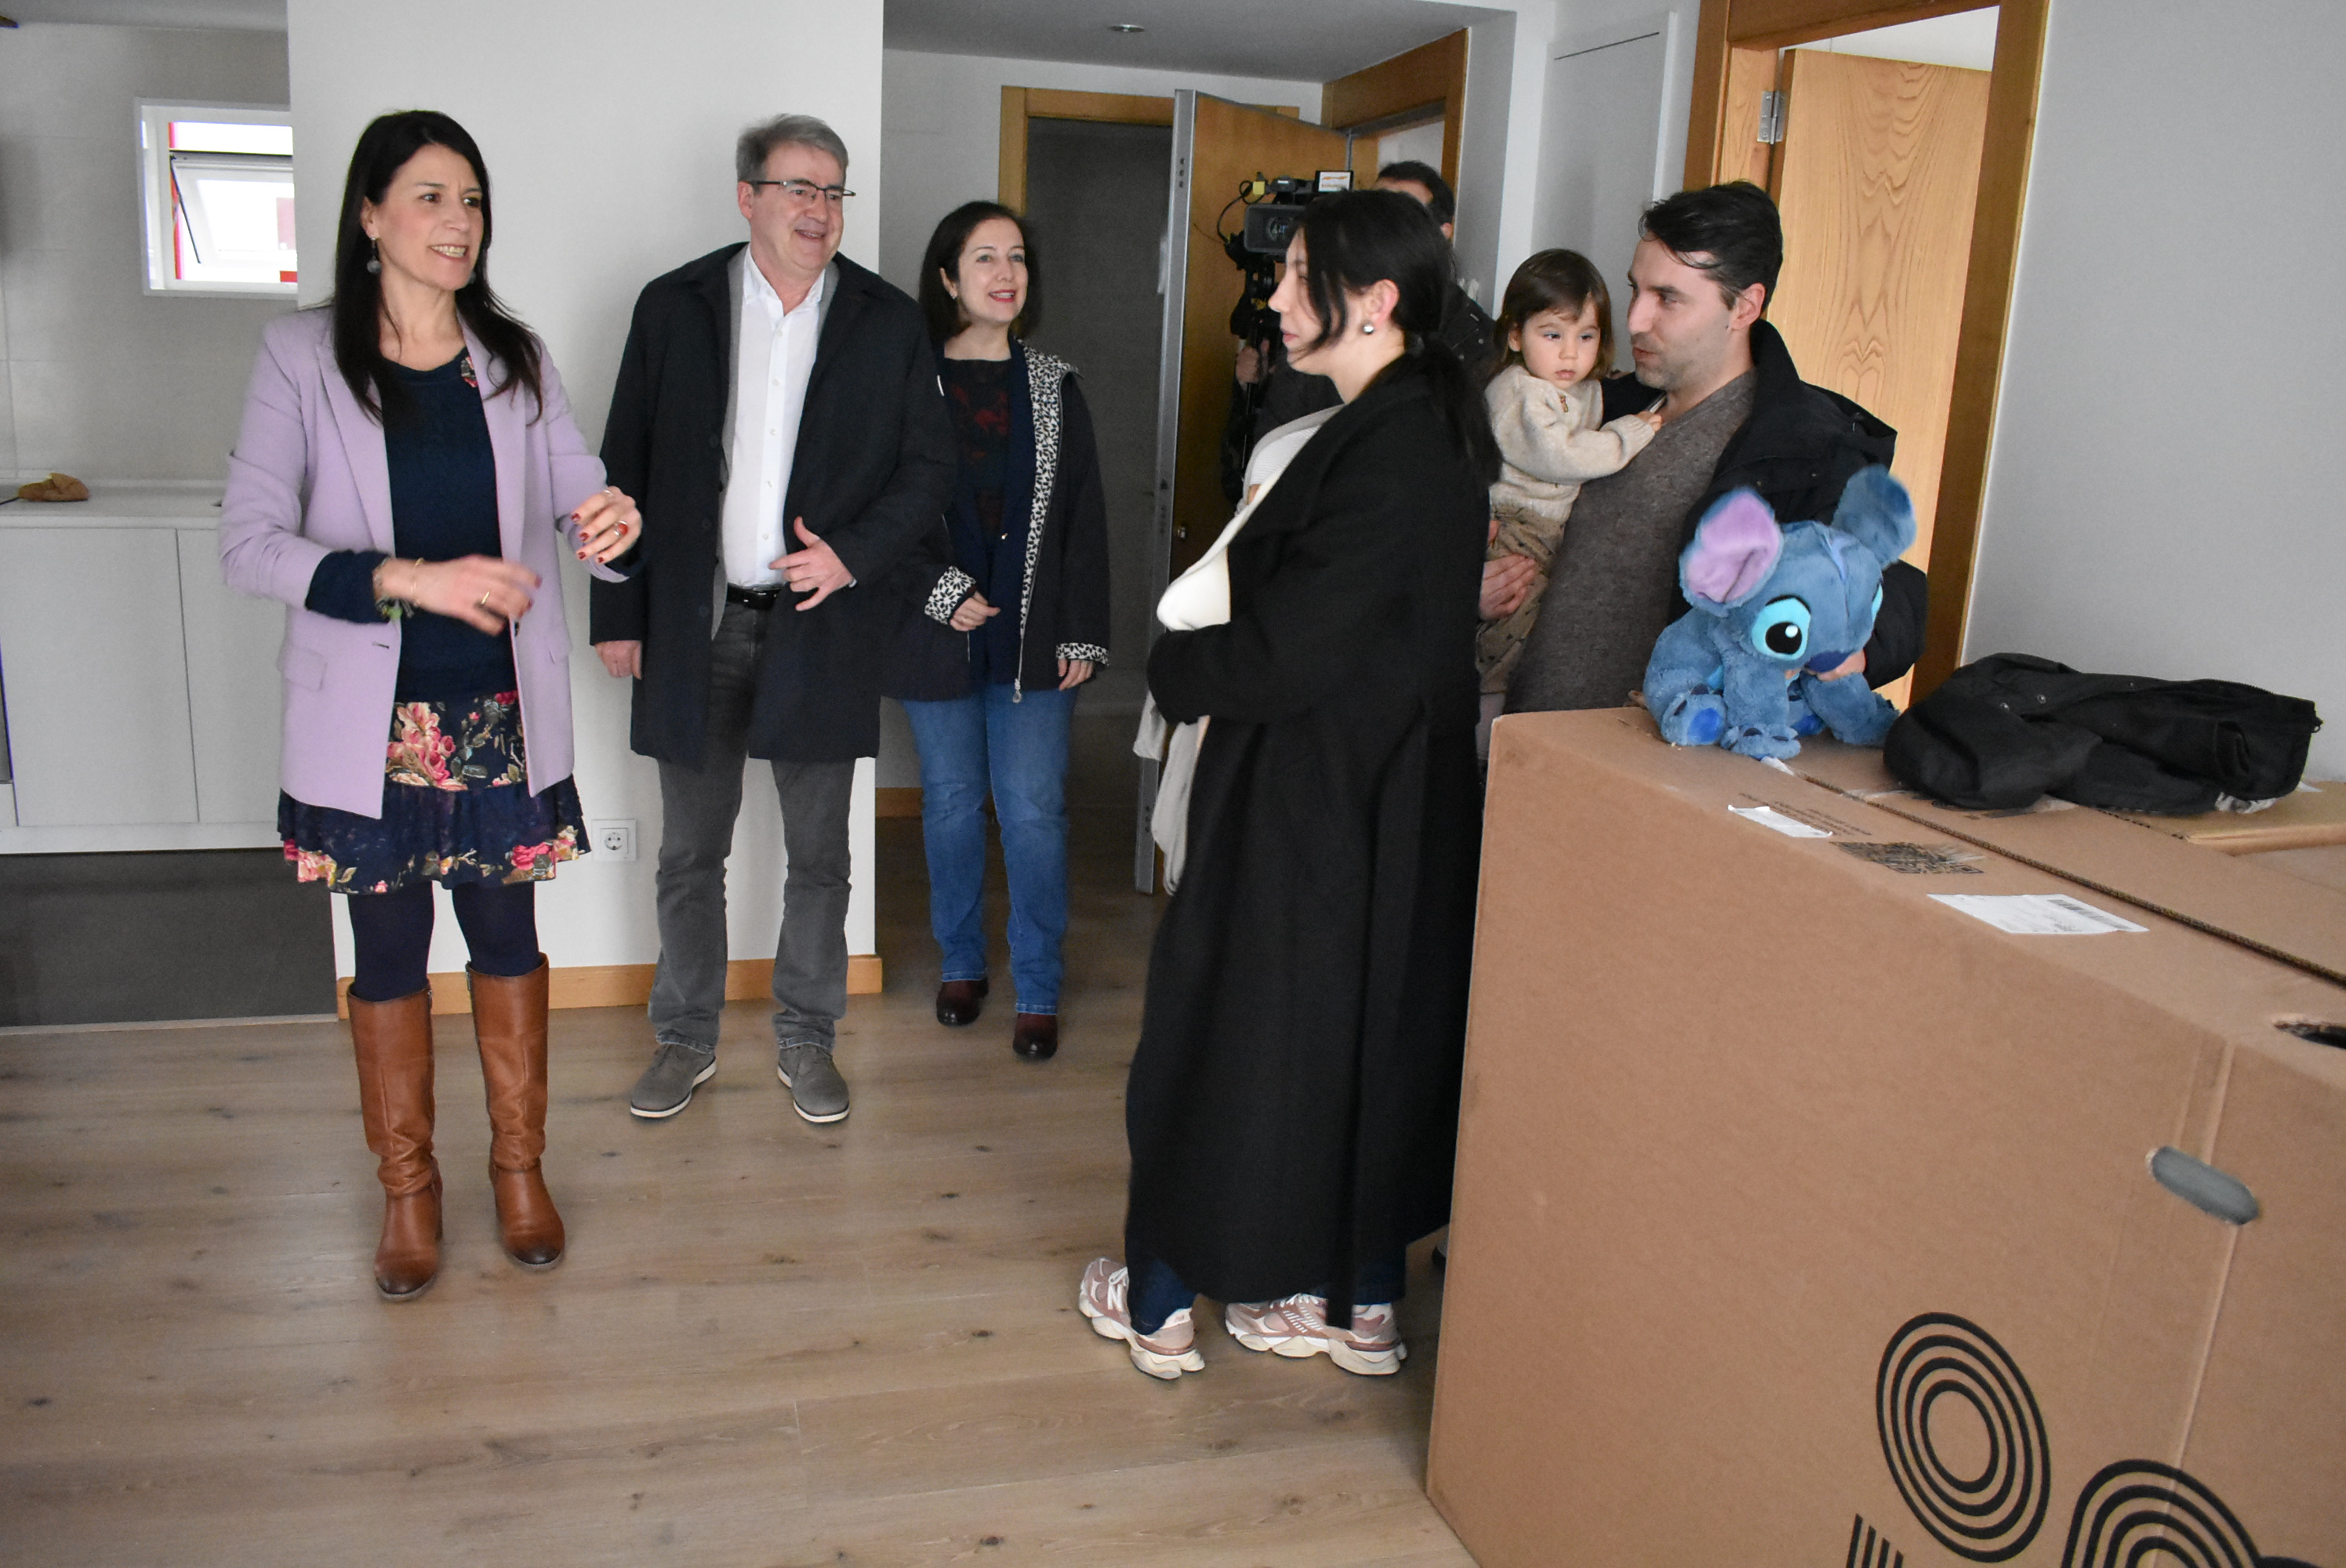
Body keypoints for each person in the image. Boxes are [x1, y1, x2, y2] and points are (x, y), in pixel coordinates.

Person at [219, 111, 643, 1301]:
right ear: (369, 215)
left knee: (505, 942)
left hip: (497, 715)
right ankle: (408, 1189)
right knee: (391, 956)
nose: (459, 222)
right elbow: (249, 545)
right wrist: (408, 579)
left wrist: (611, 523)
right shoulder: (300, 358)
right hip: (370, 729)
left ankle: (519, 1168)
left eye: (472, 199)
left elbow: (579, 494)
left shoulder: (514, 357)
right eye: (430, 196)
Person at [1078, 189, 1494, 1380]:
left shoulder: (1393, 441)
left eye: (1302, 273)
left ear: (1376, 301)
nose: (1277, 292)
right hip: (1381, 792)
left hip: (1317, 794)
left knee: (1226, 1032)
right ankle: (1353, 1296)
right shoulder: (1418, 423)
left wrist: (1174, 664)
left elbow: (1286, 654)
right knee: (1362, 1036)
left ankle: (1161, 1296)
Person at [590, 114, 953, 1127]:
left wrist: (853, 554)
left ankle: (807, 1037)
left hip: (824, 626)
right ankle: (685, 1036)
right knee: (689, 854)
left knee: (821, 857)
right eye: (799, 188)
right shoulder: (674, 307)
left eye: (834, 192)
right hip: (693, 623)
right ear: (747, 196)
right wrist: (618, 608)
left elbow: (929, 470)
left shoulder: (886, 320)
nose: (819, 210)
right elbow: (622, 464)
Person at [1495, 180, 1927, 717]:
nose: (1634, 320)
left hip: (1648, 754)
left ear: (1744, 306)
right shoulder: (1599, 401)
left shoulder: (1800, 444)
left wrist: (1852, 648)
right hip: (1519, 732)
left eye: (1668, 299)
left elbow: (1889, 585)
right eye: (1635, 289)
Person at [883, 201, 1111, 1063]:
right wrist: (938, 590)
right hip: (931, 631)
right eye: (984, 257)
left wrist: (1082, 633)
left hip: (1036, 635)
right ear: (948, 278)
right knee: (949, 804)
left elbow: (1083, 518)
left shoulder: (1054, 385)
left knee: (1033, 811)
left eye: (1016, 256)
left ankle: (1039, 985)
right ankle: (962, 963)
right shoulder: (907, 381)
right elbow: (875, 509)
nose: (1005, 273)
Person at [1222, 160, 1498, 498]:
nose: (1279, 300)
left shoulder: (1404, 448)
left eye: (1306, 278)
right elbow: (1265, 448)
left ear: (1378, 301)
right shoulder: (1318, 363)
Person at [1475, 249, 1661, 749]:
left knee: (1533, 638)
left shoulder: (1582, 387)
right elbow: (1561, 454)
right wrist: (1628, 436)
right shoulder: (1518, 392)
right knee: (1508, 638)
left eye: (1586, 336)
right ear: (1516, 336)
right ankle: (1485, 747)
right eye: (1552, 335)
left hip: (1548, 529)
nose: (1569, 355)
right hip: (1516, 526)